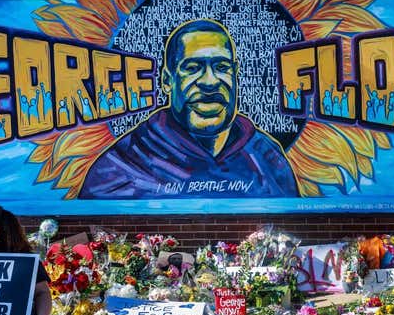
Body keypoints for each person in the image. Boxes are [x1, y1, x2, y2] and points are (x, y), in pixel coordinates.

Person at [79, 19, 298, 199]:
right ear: (167, 80)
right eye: (192, 68)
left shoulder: (266, 156)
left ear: (235, 74)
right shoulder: (123, 163)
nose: (210, 82)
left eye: (222, 67)